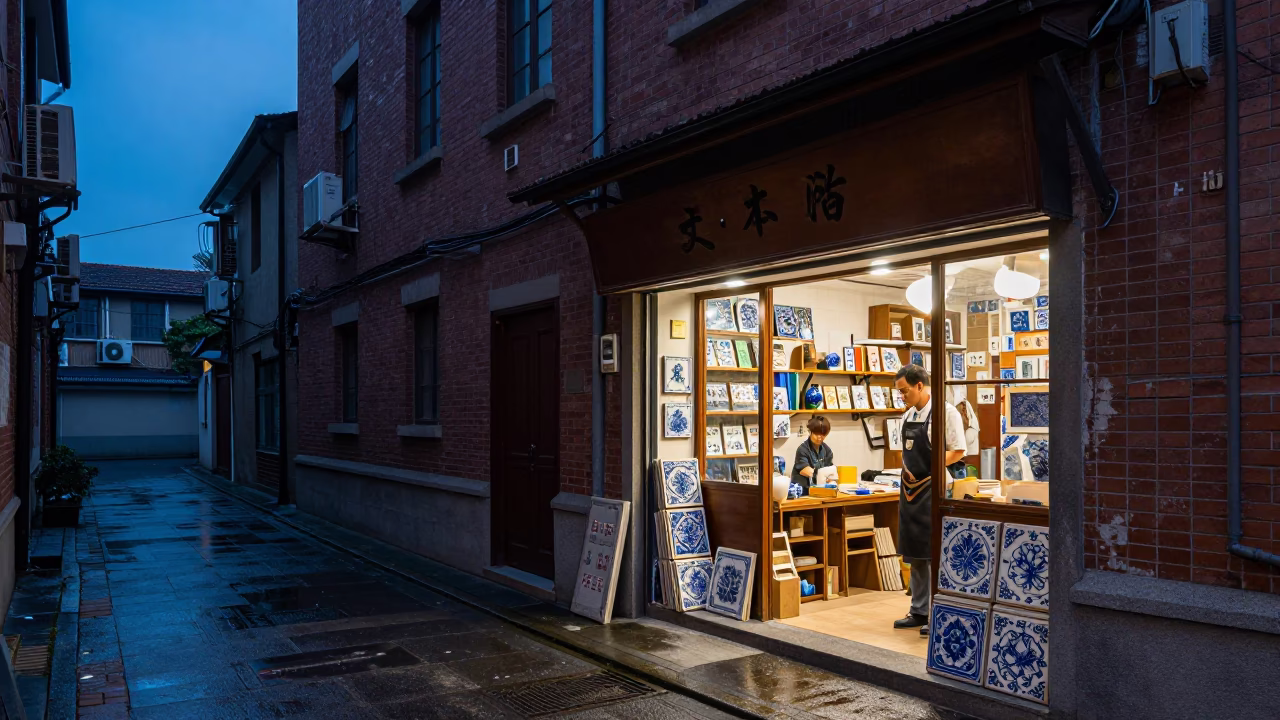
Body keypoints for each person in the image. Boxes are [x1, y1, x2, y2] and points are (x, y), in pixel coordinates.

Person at [891, 364, 967, 634]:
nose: (902, 396)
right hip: (909, 489)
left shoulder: (946, 413)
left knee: (933, 550)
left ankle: (938, 610)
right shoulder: (908, 414)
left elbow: (957, 451)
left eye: (904, 390)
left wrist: (930, 470)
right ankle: (919, 610)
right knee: (915, 551)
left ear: (920, 385)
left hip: (933, 488)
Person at [791, 415, 833, 493]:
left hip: (820, 490)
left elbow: (830, 472)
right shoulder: (802, 449)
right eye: (817, 434)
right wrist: (824, 474)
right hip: (802, 491)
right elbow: (806, 471)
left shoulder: (827, 450)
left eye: (823, 434)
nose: (820, 437)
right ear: (810, 432)